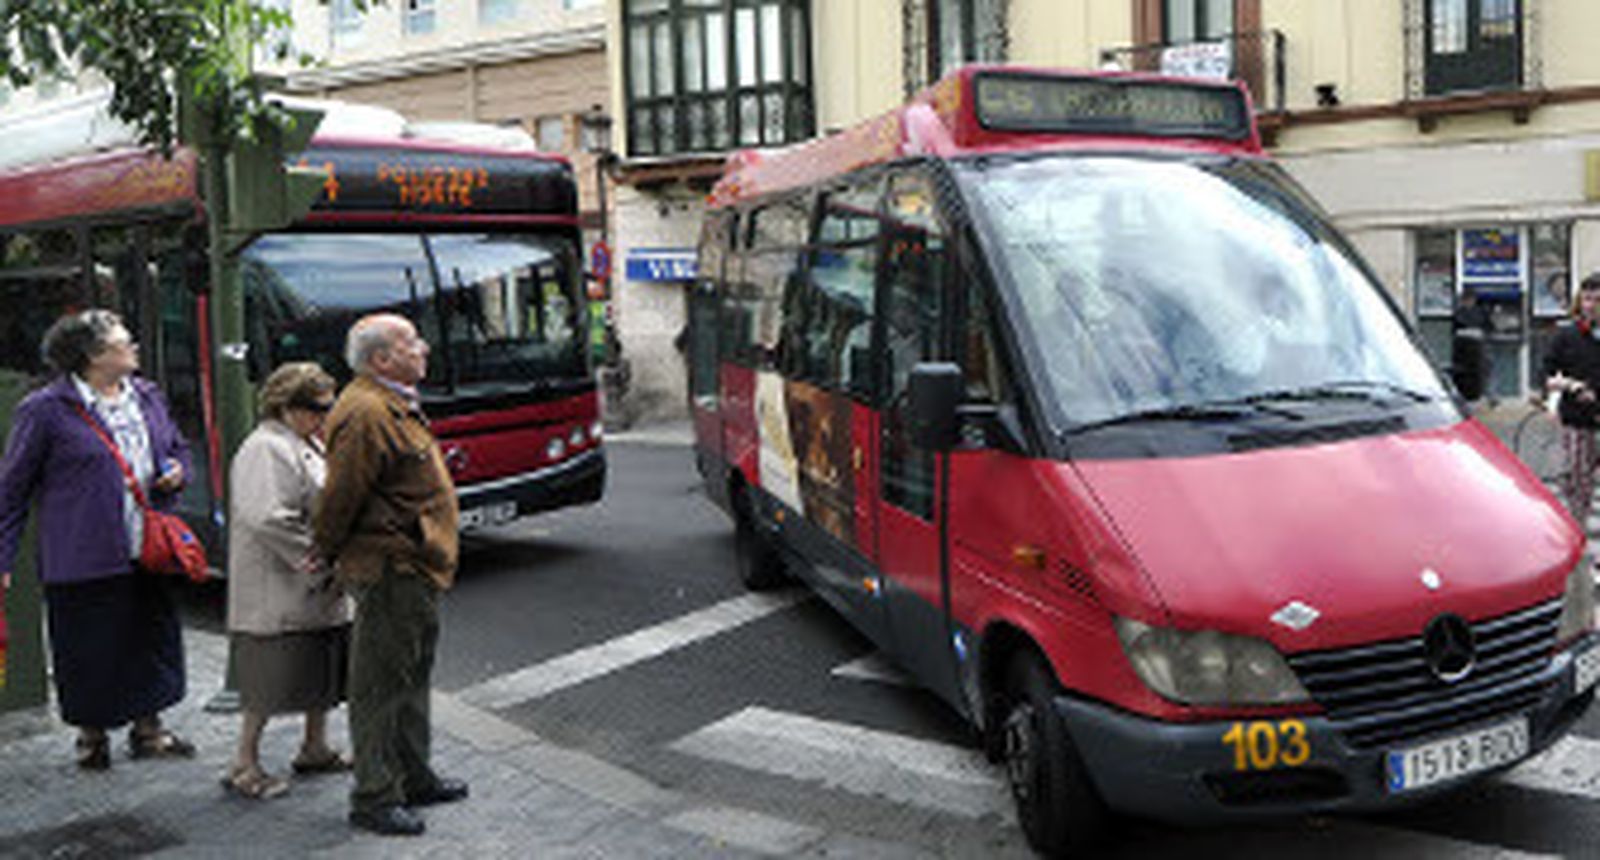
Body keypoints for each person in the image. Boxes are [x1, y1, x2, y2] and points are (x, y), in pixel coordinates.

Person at [0, 309, 195, 769]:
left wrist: (175, 469)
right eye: (123, 342)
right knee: (89, 645)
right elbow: (11, 489)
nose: (134, 347)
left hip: (147, 544)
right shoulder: (45, 410)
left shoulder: (146, 395)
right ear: (92, 356)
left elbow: (175, 447)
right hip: (82, 552)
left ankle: (150, 729)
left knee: (150, 636)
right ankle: (93, 735)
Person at [313, 313, 466, 837]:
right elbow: (341, 496)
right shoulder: (366, 411)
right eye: (410, 342)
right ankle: (374, 795)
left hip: (415, 563)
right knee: (380, 685)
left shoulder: (389, 402)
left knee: (411, 674)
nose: (423, 347)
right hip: (391, 565)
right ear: (381, 360)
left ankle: (412, 775)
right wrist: (326, 548)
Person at [224, 362, 351, 799]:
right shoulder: (265, 448)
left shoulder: (303, 439)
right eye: (317, 407)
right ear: (286, 406)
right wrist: (315, 554)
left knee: (320, 664)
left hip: (312, 584)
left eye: (328, 406)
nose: (325, 415)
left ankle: (314, 747)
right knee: (267, 677)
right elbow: (266, 516)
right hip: (279, 585)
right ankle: (244, 763)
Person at [1540, 273, 1600, 526]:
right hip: (1578, 420)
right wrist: (1565, 385)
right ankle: (1577, 531)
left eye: (1598, 299)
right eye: (1587, 299)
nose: (1592, 305)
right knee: (1578, 481)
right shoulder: (1567, 335)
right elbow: (1546, 372)